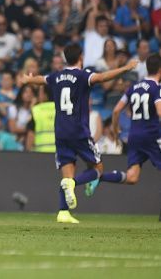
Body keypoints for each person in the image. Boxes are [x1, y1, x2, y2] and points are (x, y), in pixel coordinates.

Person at [22, 43, 138, 224]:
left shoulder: (57, 76)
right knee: (97, 170)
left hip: (60, 131)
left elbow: (41, 79)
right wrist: (125, 68)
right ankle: (73, 184)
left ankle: (63, 212)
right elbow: (101, 77)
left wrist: (28, 80)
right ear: (81, 58)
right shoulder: (83, 76)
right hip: (79, 131)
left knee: (67, 173)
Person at [86, 54, 161, 195]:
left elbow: (116, 111)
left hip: (134, 137)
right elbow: (160, 112)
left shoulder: (134, 87)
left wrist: (116, 131)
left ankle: (98, 177)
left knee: (132, 177)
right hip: (151, 136)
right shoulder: (157, 88)